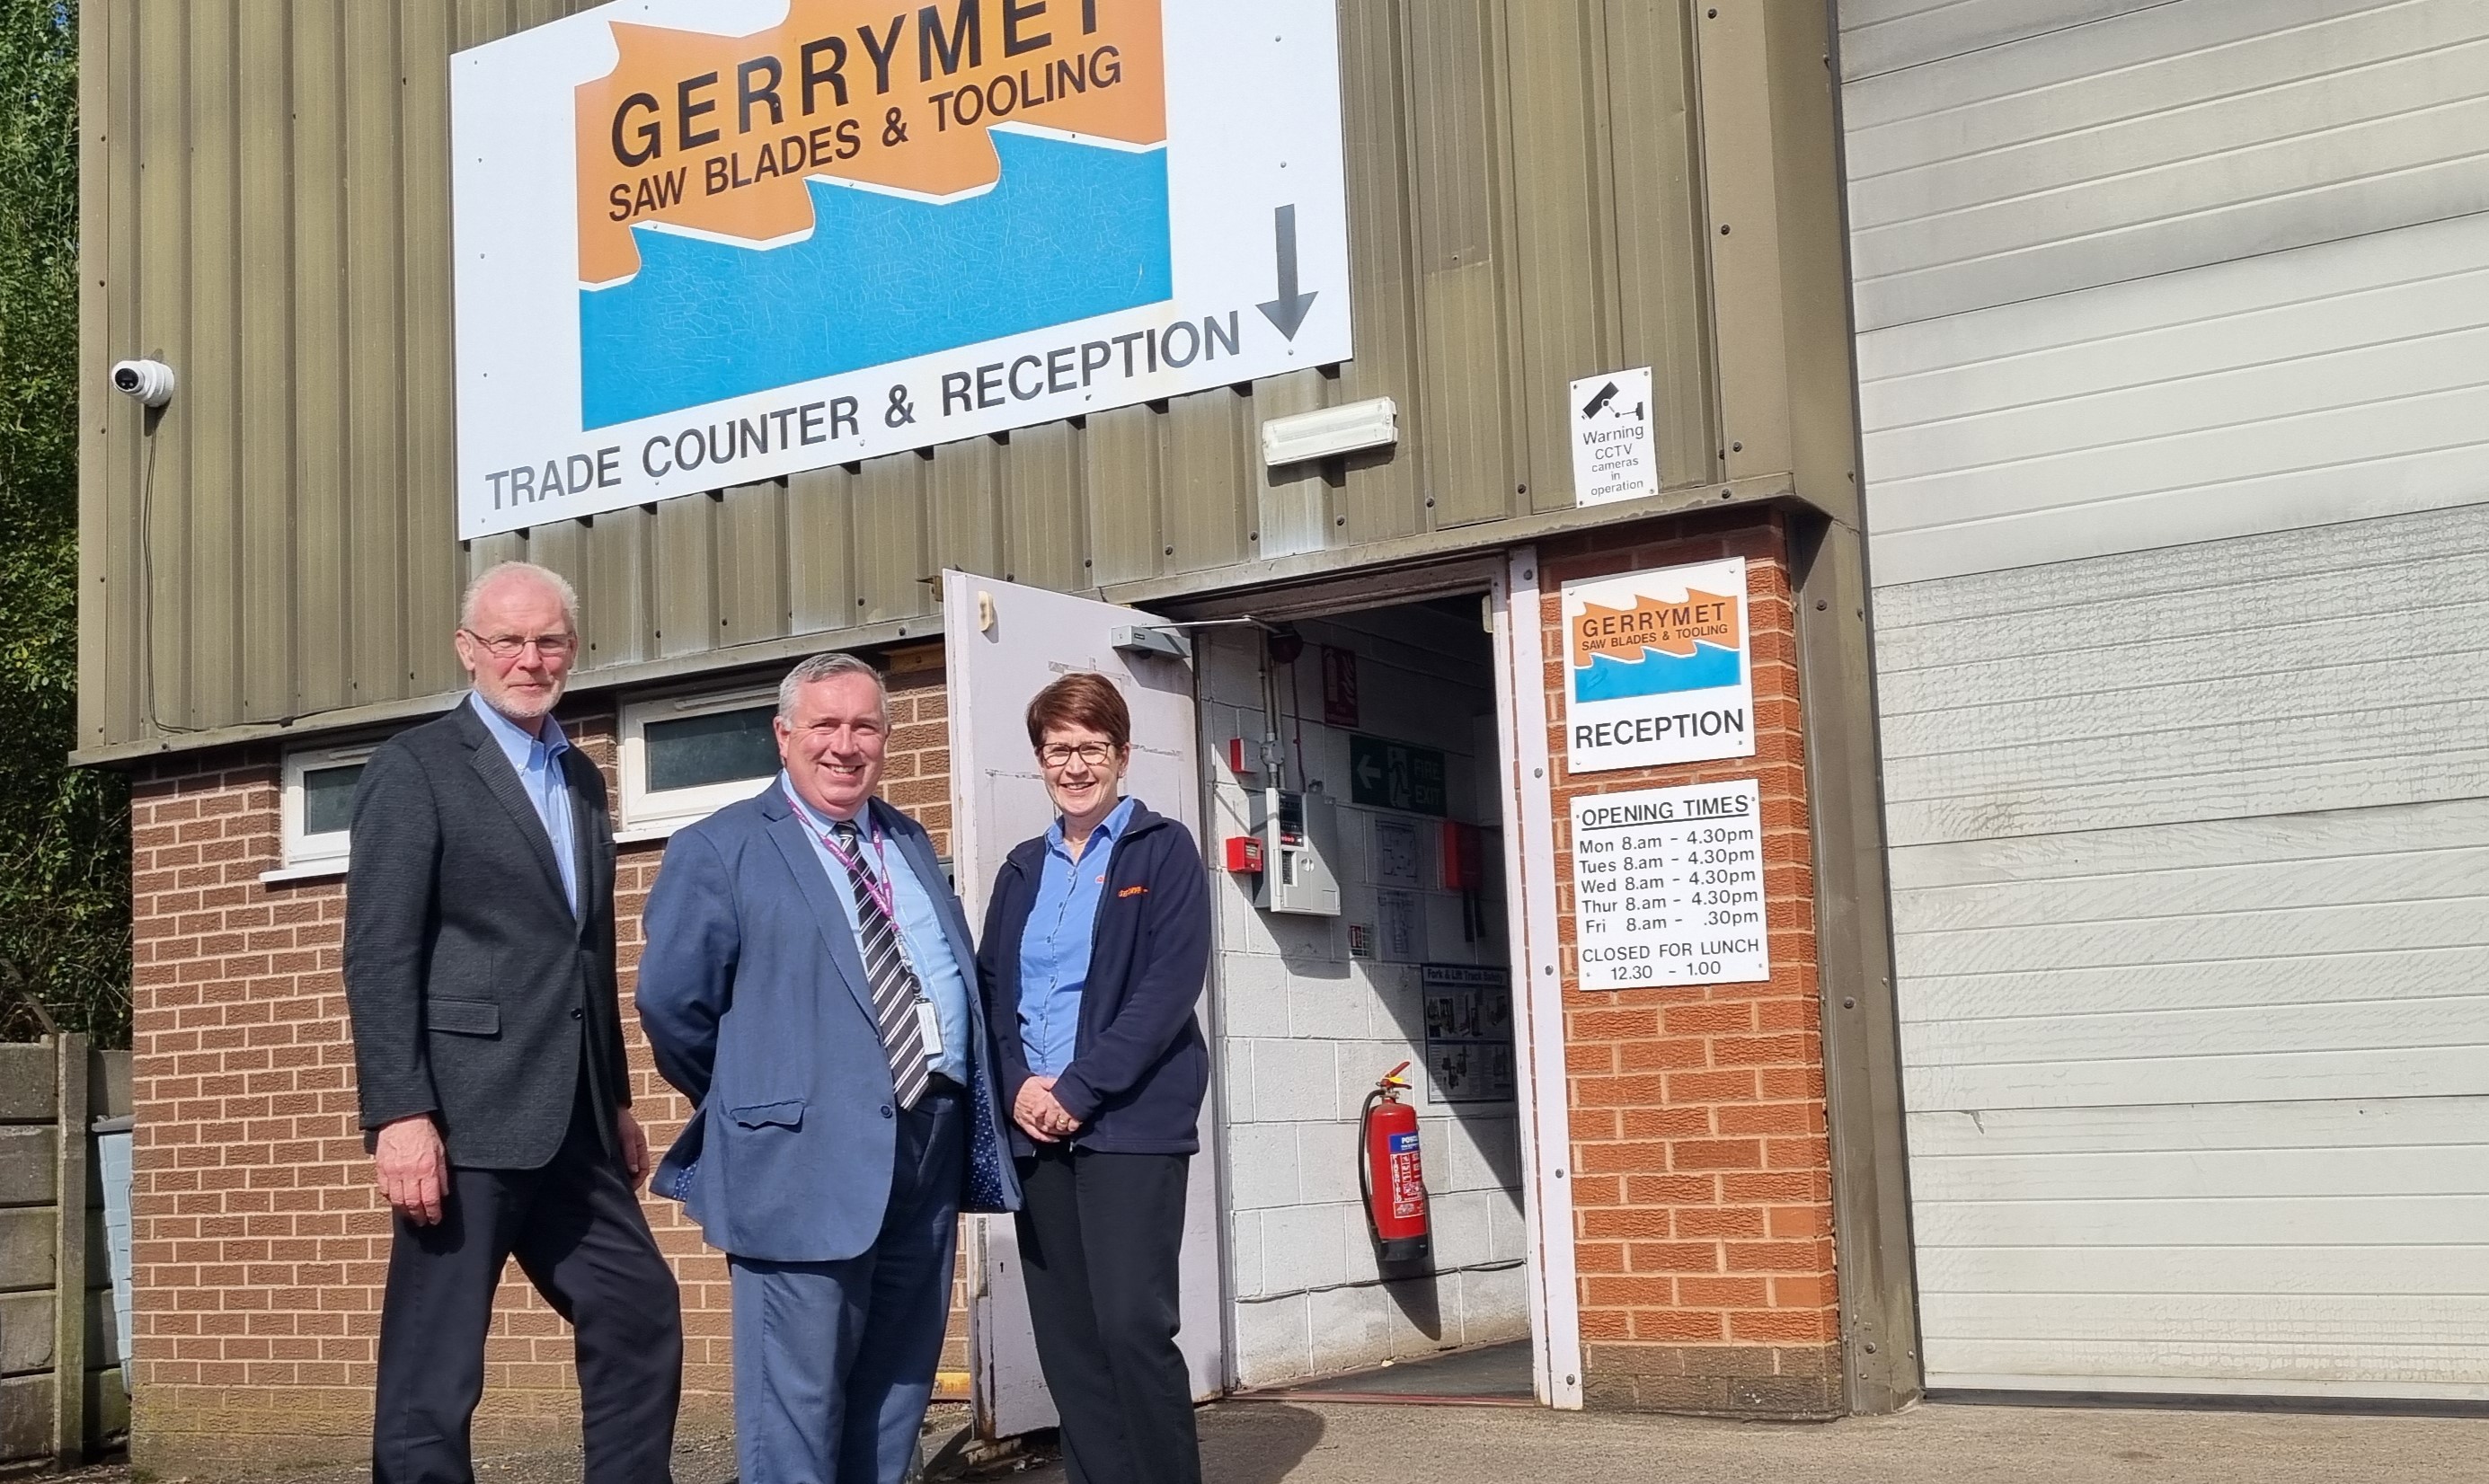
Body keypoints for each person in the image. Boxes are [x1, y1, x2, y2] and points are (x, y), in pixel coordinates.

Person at [636, 652, 1020, 1484]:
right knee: (797, 1408)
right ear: (784, 735)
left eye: (864, 726)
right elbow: (674, 1009)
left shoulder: (908, 839)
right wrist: (765, 1098)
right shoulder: (721, 847)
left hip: (926, 1143)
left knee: (895, 1391)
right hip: (800, 1160)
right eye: (824, 725)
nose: (844, 746)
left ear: (886, 737)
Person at [344, 560, 683, 1484]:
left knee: (640, 1306)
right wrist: (399, 1112)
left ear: (570, 651)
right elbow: (380, 952)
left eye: (548, 641)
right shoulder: (414, 768)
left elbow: (587, 949)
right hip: (461, 1115)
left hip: (571, 1115)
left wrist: (614, 1097)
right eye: (509, 640)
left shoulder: (580, 778)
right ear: (469, 649)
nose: (529, 658)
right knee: (436, 1365)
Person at [978, 672, 1212, 1484]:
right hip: (1035, 1128)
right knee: (1069, 1342)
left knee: (1130, 1327)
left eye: (1090, 748)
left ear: (1121, 754)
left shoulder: (1164, 849)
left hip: (1131, 1124)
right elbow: (991, 992)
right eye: (1056, 751)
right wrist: (1017, 1088)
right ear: (1039, 760)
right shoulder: (1021, 868)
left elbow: (1167, 987)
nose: (1073, 766)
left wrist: (1076, 1090)